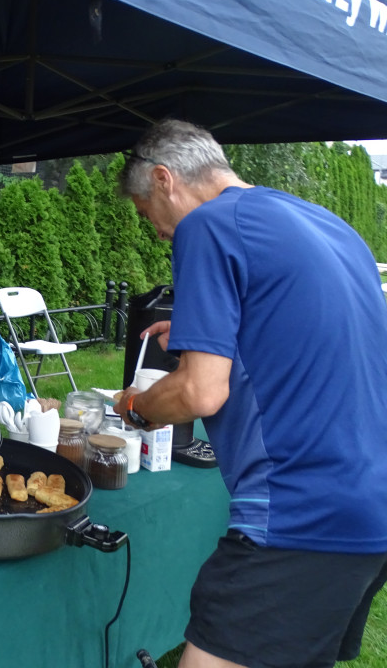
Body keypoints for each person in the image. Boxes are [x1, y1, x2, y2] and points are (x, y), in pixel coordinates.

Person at [114, 119, 387, 668]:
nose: (159, 232)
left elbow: (199, 392)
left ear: (165, 180)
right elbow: (317, 339)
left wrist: (139, 407)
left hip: (300, 507)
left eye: (149, 216)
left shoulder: (208, 226)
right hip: (371, 503)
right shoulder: (326, 223)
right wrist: (201, 331)